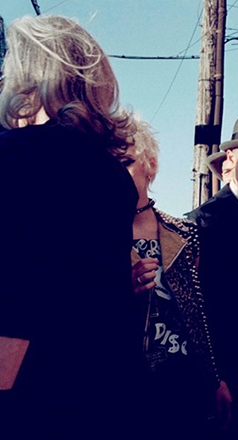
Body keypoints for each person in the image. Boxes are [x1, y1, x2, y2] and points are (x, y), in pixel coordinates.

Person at [0, 15, 142, 439]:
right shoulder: (113, 174)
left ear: (28, 77)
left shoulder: (16, 157)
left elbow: (17, 290)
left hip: (33, 394)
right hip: (105, 388)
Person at [123, 118, 232, 438]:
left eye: (126, 162)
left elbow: (203, 312)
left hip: (185, 382)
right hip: (125, 383)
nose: (117, 172)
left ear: (150, 165)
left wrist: (216, 378)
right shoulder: (93, 238)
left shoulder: (184, 232)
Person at [187, 114, 238, 440]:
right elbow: (201, 310)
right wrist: (218, 376)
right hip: (231, 378)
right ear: (229, 162)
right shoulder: (204, 223)